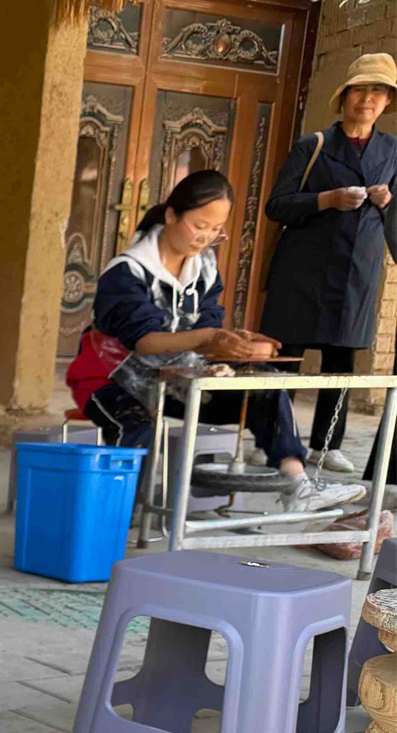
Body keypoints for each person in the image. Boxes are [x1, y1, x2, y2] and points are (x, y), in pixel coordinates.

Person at [69, 169, 364, 514]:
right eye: (199, 225)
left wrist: (232, 342)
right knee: (139, 425)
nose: (206, 237)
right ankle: (113, 515)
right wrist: (209, 337)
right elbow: (144, 342)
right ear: (171, 215)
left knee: (263, 386)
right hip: (111, 379)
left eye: (215, 230)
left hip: (175, 378)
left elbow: (208, 322)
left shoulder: (204, 267)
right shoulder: (128, 271)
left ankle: (297, 487)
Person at [259, 52, 397, 473]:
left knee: (342, 358)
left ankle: (326, 443)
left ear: (388, 101)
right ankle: (274, 440)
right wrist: (328, 200)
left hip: (358, 268)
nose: (368, 99)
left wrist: (388, 200)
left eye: (378, 91)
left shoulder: (393, 151)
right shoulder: (313, 145)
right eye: (360, 89)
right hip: (302, 269)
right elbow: (277, 206)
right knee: (285, 357)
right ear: (345, 97)